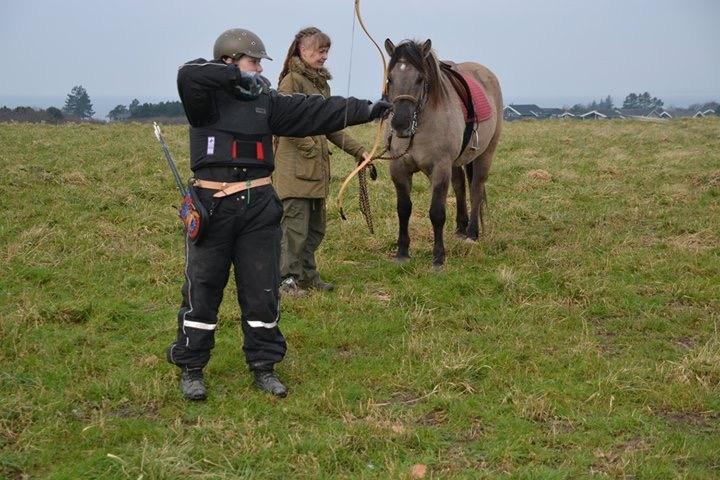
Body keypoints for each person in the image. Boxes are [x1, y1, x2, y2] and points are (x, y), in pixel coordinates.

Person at [165, 27, 391, 401]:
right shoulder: (202, 99)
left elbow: (316, 110)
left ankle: (264, 366)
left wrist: (367, 109)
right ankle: (192, 367)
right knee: (202, 291)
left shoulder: (265, 102)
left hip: (259, 208)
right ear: (229, 61)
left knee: (262, 292)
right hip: (213, 207)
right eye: (254, 62)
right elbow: (188, 73)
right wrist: (237, 77)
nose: (260, 70)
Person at [274, 27, 371, 297]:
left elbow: (330, 124)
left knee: (314, 229)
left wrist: (359, 151)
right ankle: (286, 281)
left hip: (316, 174)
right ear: (303, 51)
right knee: (293, 230)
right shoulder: (291, 81)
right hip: (295, 173)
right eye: (320, 50)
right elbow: (282, 123)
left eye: (326, 50)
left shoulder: (320, 84)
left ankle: (306, 275)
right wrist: (308, 147)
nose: (324, 56)